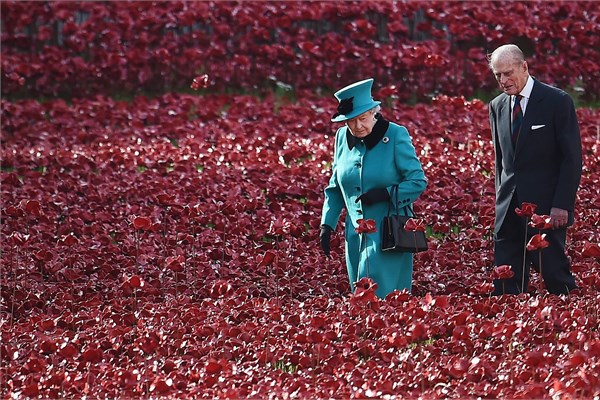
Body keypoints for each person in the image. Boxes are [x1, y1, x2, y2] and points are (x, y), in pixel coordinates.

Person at [319, 78, 427, 299]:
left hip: (389, 233)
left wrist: (385, 193)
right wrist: (327, 224)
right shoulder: (341, 138)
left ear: (374, 113)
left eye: (363, 119)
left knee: (382, 296)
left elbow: (417, 181)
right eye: (351, 121)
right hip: (355, 235)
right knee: (360, 296)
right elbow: (335, 187)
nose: (358, 127)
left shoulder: (396, 135)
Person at [487, 44, 582, 295]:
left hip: (546, 208)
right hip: (508, 209)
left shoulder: (557, 101)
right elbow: (501, 162)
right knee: (505, 279)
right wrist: (499, 202)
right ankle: (506, 331)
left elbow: (571, 159)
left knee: (553, 273)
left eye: (508, 73)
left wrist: (562, 204)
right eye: (498, 75)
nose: (504, 81)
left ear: (524, 67)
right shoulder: (496, 106)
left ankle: (570, 325)